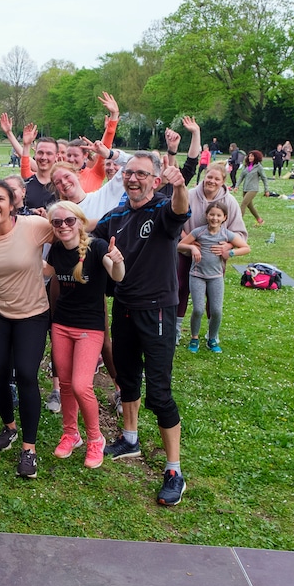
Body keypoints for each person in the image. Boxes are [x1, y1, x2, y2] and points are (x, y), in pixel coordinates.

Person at [92, 151, 191, 506]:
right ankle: (130, 438)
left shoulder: (162, 209)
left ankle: (174, 470)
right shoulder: (117, 215)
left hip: (157, 311)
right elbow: (91, 234)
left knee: (159, 392)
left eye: (141, 174)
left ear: (155, 180)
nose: (133, 179)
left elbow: (179, 211)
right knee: (128, 378)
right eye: (128, 173)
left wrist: (180, 187)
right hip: (124, 309)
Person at [0, 180, 54, 478]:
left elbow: (69, 233)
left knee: (25, 373)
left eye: (0, 199)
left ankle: (29, 449)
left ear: (13, 204)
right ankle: (10, 427)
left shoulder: (34, 225)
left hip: (33, 312)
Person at [44, 201, 125, 469]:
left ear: (79, 221)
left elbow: (117, 275)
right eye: (57, 223)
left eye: (69, 221)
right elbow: (48, 271)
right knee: (65, 384)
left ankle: (95, 438)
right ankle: (71, 434)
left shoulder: (97, 247)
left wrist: (118, 260)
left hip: (90, 328)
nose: (64, 226)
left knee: (81, 385)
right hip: (61, 325)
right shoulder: (56, 249)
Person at [178, 201, 250, 354]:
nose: (214, 218)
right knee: (197, 309)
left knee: (216, 310)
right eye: (212, 214)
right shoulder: (199, 232)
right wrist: (191, 247)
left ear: (224, 218)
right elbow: (179, 245)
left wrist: (230, 252)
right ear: (206, 215)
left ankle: (212, 338)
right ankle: (194, 338)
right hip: (197, 275)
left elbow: (245, 247)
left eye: (218, 215)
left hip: (216, 277)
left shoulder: (226, 234)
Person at [238, 150, 269, 227]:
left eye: (252, 156)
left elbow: (264, 178)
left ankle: (237, 223)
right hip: (245, 188)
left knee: (243, 204)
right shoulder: (246, 166)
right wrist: (236, 186)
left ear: (256, 157)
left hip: (253, 189)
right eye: (249, 156)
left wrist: (266, 190)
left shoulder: (259, 167)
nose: (250, 157)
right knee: (249, 205)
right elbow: (241, 176)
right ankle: (260, 220)